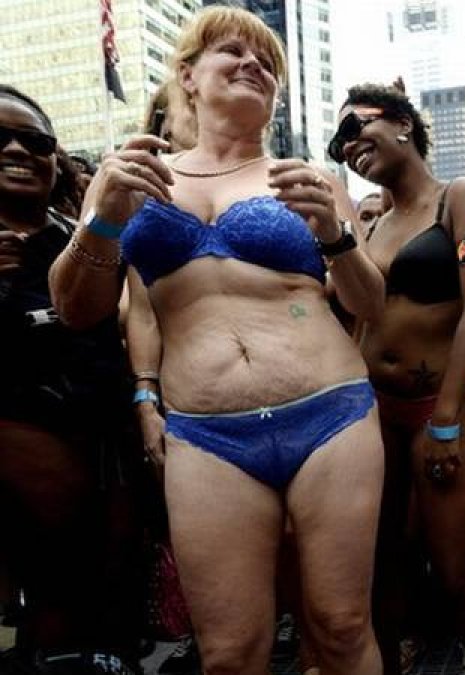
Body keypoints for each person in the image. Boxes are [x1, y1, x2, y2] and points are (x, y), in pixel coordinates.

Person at [49, 7, 388, 673]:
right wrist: (101, 225)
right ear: (188, 76)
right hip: (207, 435)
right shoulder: (130, 179)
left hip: (332, 416)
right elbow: (75, 308)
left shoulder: (310, 182)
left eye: (267, 63)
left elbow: (369, 303)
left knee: (342, 628)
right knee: (230, 652)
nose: (254, 65)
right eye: (232, 51)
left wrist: (336, 237)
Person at [330, 81, 465, 674]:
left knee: (454, 572)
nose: (347, 146)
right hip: (375, 412)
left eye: (355, 128)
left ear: (403, 123)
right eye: (338, 141)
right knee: (385, 565)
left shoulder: (462, 197)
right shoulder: (372, 227)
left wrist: (449, 420)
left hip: (439, 408)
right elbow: (360, 322)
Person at [0, 84, 142, 673]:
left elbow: (140, 329)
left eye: (35, 140)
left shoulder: (89, 240)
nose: (17, 149)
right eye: (0, 138)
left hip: (111, 452)